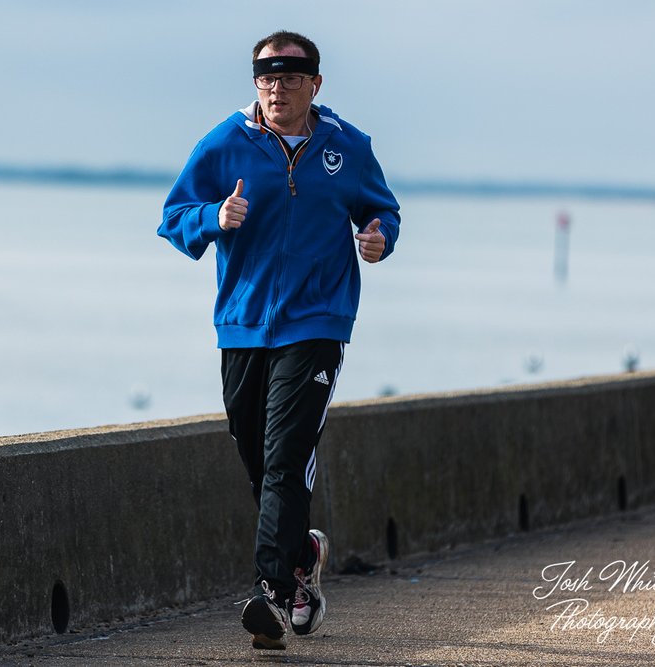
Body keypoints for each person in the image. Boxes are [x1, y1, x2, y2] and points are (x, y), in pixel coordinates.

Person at [158, 30, 400, 650]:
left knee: (287, 455)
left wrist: (376, 237)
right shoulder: (225, 142)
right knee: (257, 455)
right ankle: (302, 558)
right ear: (255, 83)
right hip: (242, 323)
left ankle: (271, 590)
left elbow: (381, 211)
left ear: (314, 84)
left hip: (318, 321)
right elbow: (173, 215)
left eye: (290, 77)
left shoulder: (346, 146)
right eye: (266, 76)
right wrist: (215, 218)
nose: (276, 87)